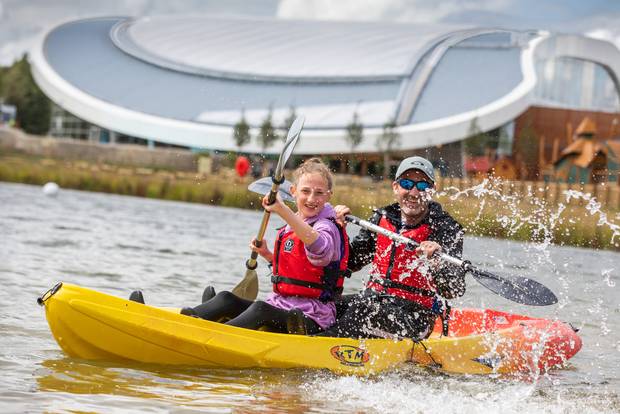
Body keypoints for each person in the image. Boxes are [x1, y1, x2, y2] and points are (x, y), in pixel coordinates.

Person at [178, 158, 349, 334]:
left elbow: (320, 249)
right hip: (281, 304)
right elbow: (298, 268)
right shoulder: (295, 223)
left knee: (260, 309)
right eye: (305, 191)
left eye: (319, 193)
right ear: (293, 191)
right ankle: (182, 322)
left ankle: (214, 336)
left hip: (312, 317)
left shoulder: (326, 226)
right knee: (226, 299)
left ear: (329, 195)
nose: (312, 198)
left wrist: (283, 210)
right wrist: (268, 254)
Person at [320, 156, 465, 340]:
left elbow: (454, 290)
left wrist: (437, 261)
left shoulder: (446, 229)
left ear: (432, 190)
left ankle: (316, 345)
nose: (414, 192)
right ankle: (309, 336)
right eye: (406, 183)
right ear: (396, 187)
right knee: (327, 304)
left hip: (415, 317)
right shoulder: (381, 219)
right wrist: (338, 230)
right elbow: (351, 261)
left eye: (422, 186)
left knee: (363, 310)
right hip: (372, 301)